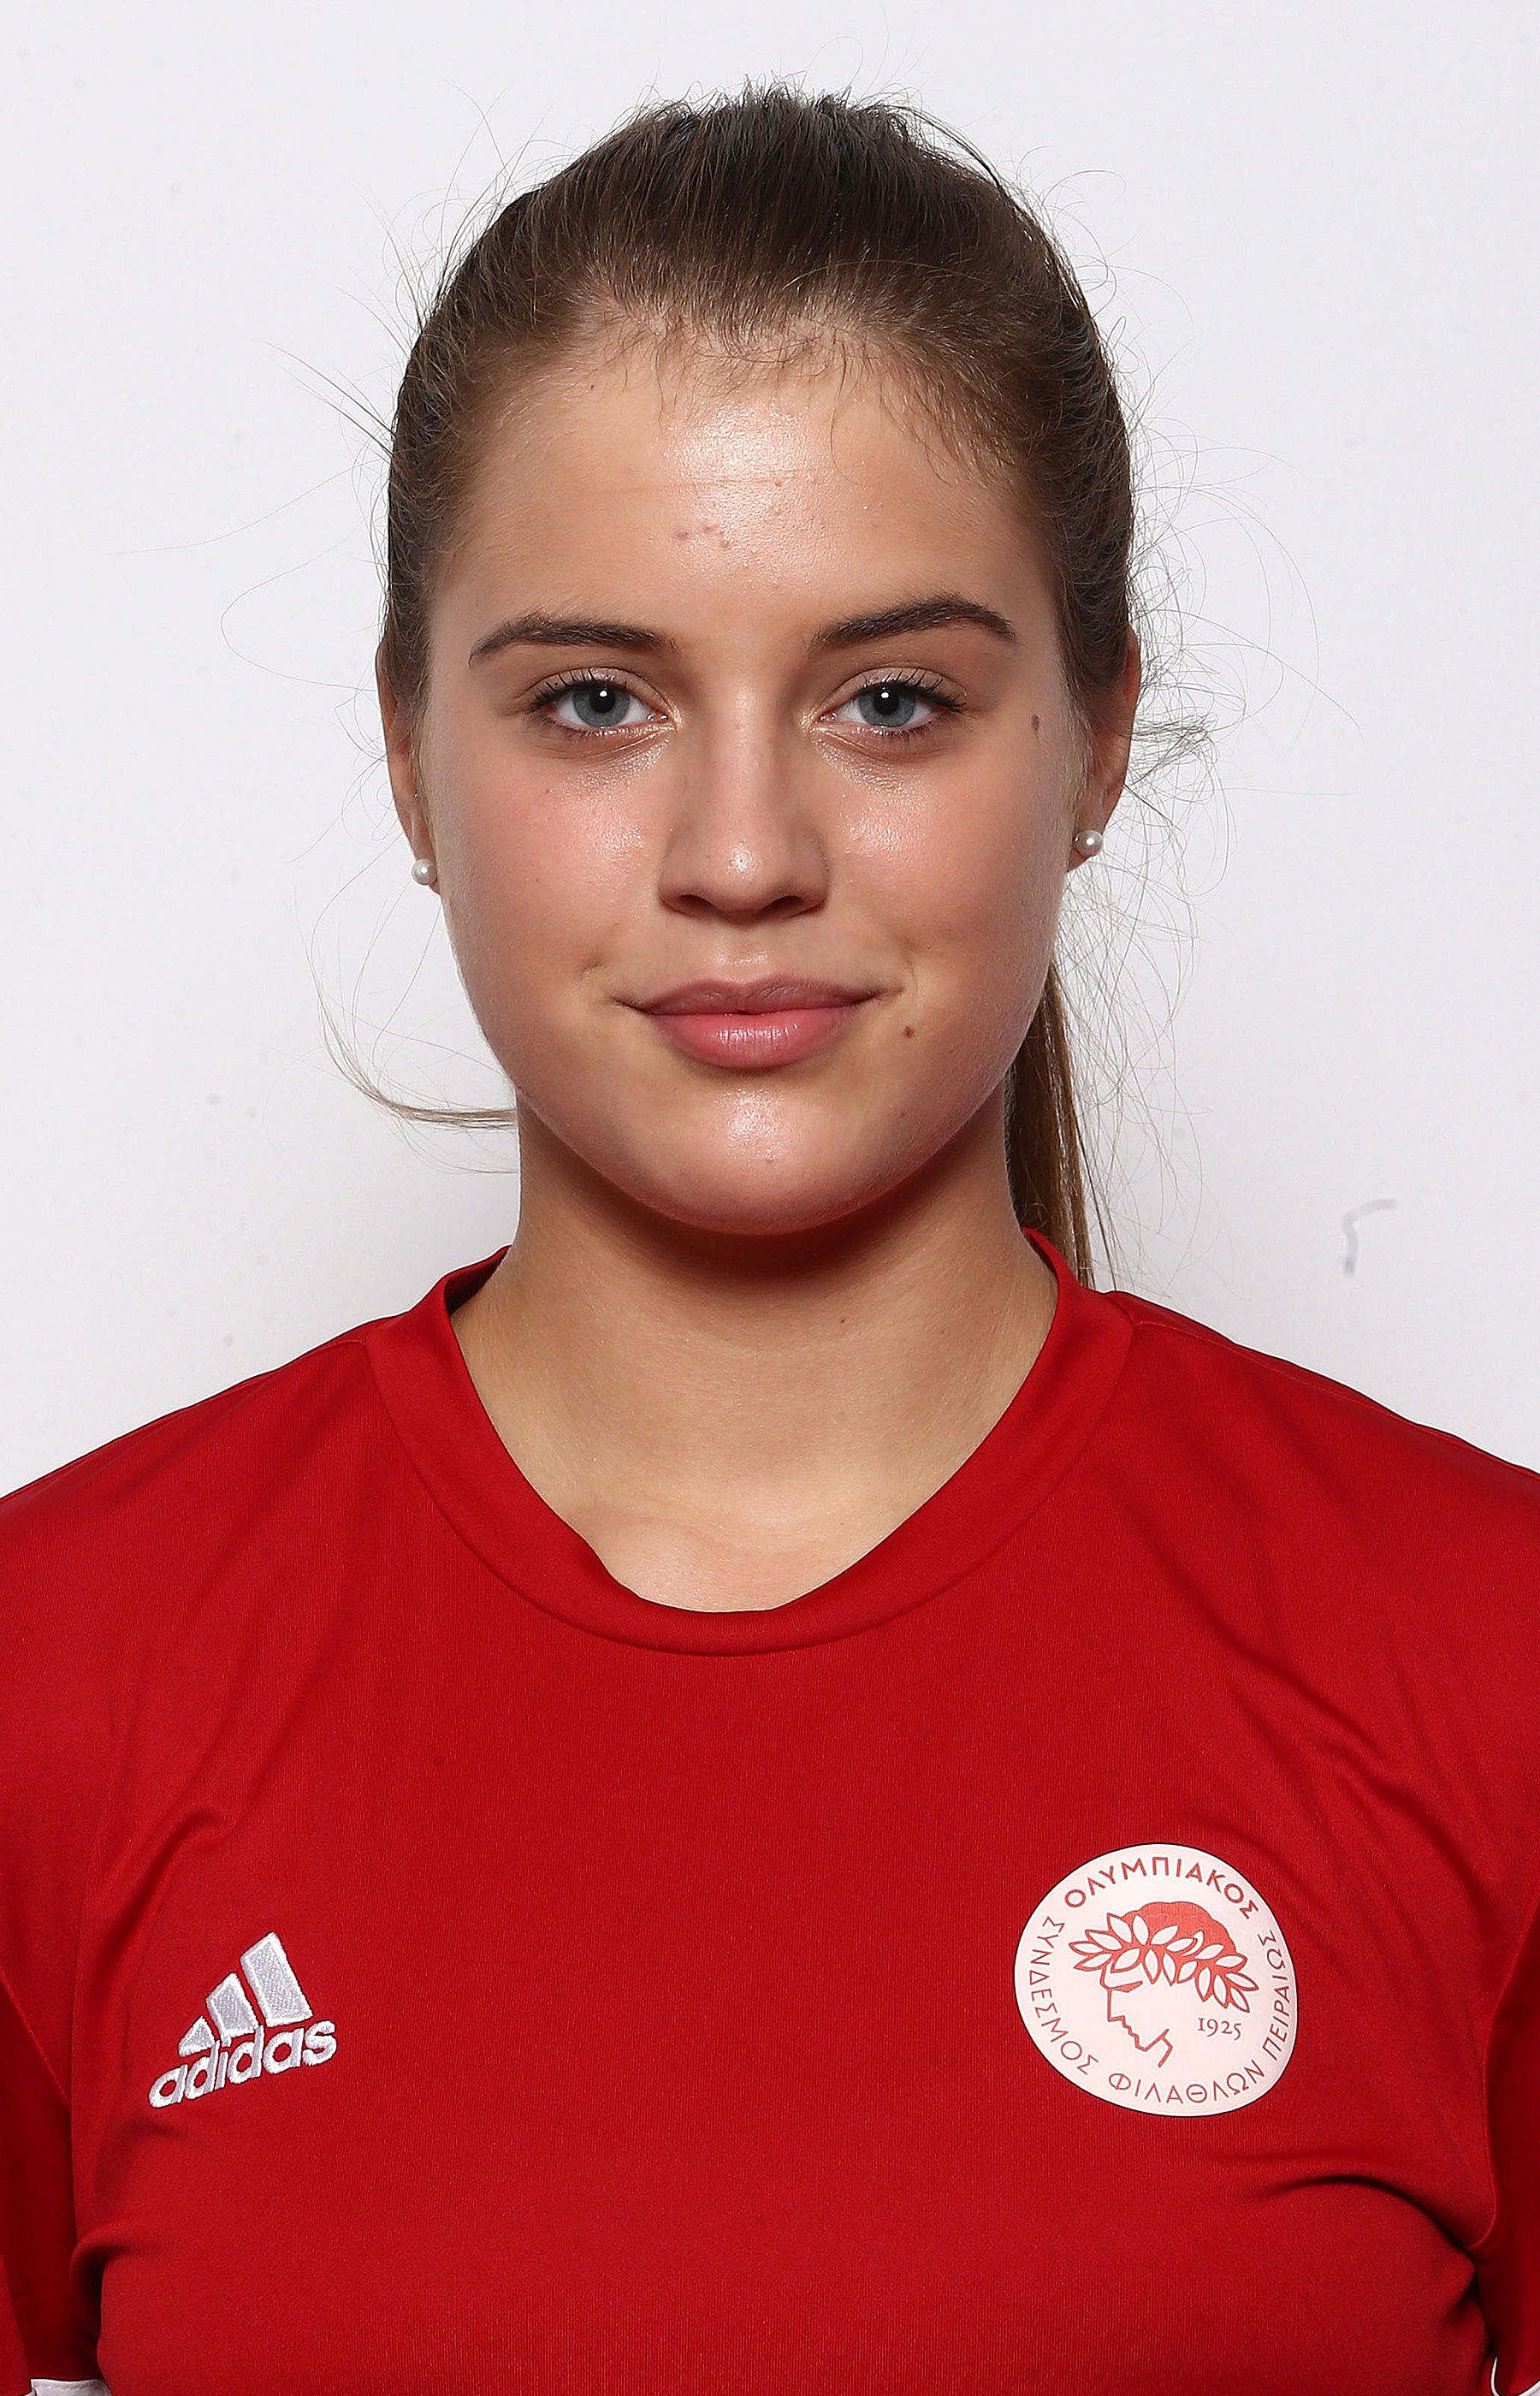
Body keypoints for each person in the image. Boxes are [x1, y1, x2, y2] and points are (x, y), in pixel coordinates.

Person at [0, 83, 1535, 2396]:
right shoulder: (56, 1683)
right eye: (595, 702)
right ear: (410, 753)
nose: (742, 853)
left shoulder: (1487, 1657)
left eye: (892, 702)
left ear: (1098, 741)